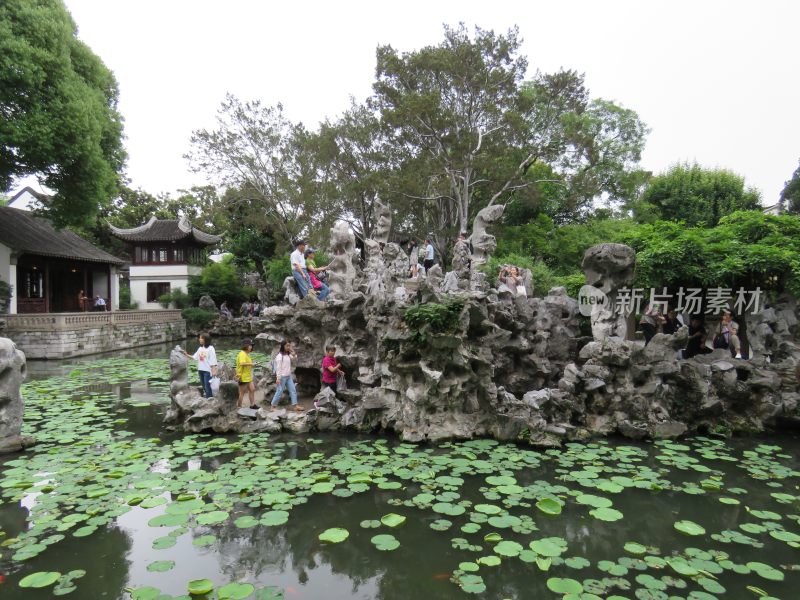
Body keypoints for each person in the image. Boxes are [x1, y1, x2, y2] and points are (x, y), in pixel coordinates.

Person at [182, 333, 218, 398]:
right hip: (200, 370)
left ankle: (209, 400)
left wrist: (214, 370)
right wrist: (186, 354)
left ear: (205, 340)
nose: (199, 339)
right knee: (204, 386)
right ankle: (207, 398)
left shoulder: (211, 348)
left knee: (208, 386)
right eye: (200, 338)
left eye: (201, 338)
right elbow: (194, 357)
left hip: (207, 371)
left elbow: (213, 360)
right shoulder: (200, 348)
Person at [271, 340, 302, 411]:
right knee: (279, 391)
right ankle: (273, 407)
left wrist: (292, 351)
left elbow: (295, 359)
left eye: (289, 345)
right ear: (283, 346)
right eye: (287, 346)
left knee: (293, 390)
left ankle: (295, 406)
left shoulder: (287, 355)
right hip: (282, 377)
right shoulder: (279, 356)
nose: (288, 347)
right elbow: (278, 368)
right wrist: (278, 378)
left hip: (288, 376)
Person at [235, 338, 257, 409]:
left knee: (252, 389)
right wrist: (251, 364)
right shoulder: (242, 354)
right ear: (246, 346)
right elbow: (242, 363)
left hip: (248, 376)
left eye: (251, 345)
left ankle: (252, 405)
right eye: (250, 345)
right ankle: (239, 407)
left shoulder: (246, 354)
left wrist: (252, 364)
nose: (251, 347)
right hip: (242, 377)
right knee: (242, 393)